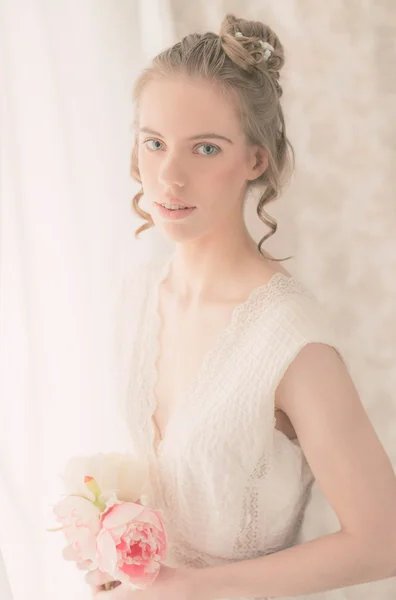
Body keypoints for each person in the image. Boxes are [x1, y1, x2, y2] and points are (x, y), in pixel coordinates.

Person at [87, 13, 396, 600]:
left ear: (256, 160)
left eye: (206, 148)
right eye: (154, 143)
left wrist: (186, 590)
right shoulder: (135, 296)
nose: (169, 177)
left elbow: (382, 540)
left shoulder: (289, 339)